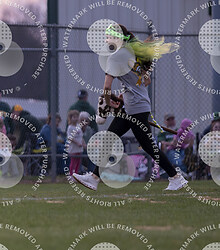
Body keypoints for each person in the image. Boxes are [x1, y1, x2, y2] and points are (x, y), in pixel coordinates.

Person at [73, 23, 188, 191]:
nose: (106, 41)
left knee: (147, 145)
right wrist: (124, 94)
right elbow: (145, 80)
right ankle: (94, 177)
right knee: (110, 138)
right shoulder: (131, 52)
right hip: (134, 105)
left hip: (135, 108)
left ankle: (175, 177)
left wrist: (108, 101)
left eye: (109, 37)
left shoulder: (115, 57)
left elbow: (106, 87)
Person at [66, 110, 84, 175]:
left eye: (77, 117)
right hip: (73, 148)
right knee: (73, 161)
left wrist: (83, 143)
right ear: (70, 118)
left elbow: (81, 136)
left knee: (78, 162)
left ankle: (76, 174)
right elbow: (70, 137)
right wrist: (77, 143)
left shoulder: (78, 126)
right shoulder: (70, 127)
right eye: (74, 117)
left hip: (79, 148)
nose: (76, 119)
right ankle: (71, 174)